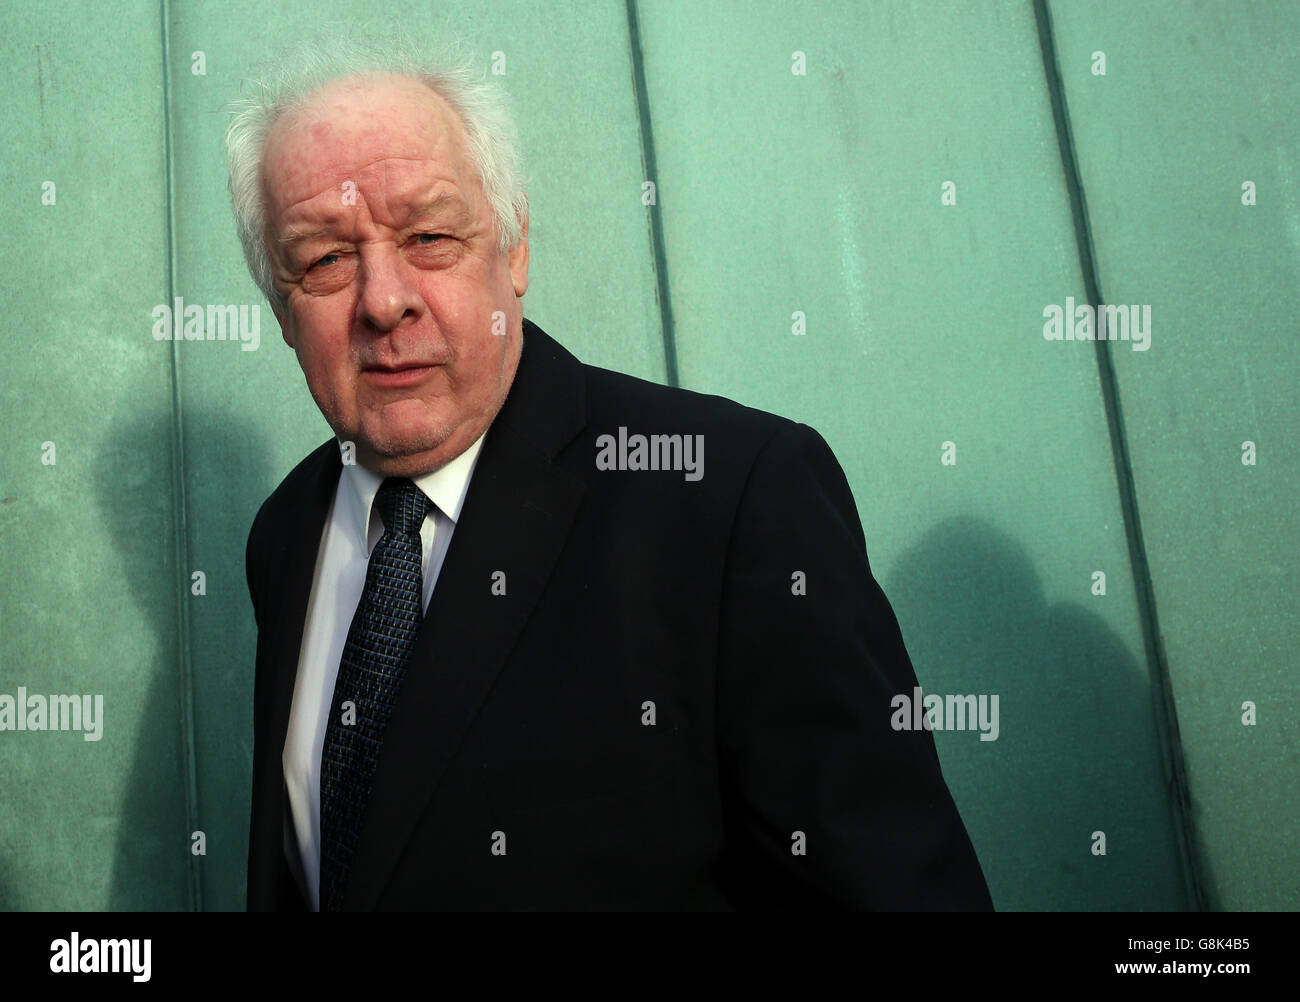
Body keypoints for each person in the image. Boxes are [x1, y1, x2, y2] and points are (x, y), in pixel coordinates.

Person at [233, 39, 993, 911]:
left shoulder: (735, 499)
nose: (381, 299)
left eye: (430, 236)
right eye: (325, 258)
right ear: (281, 311)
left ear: (513, 253)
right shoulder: (286, 532)